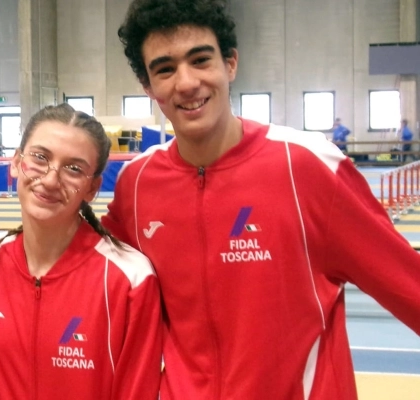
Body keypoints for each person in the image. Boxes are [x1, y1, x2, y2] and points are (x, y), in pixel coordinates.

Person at [104, 0, 420, 399]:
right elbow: (88, 278)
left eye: (200, 60)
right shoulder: (137, 185)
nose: (185, 83)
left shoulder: (304, 166)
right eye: (165, 69)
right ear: (148, 88)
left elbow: (411, 285)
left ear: (230, 64)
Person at [0, 104, 162, 399]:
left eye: (74, 169)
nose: (50, 179)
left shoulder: (130, 278)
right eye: (39, 157)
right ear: (15, 161)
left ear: (92, 188)